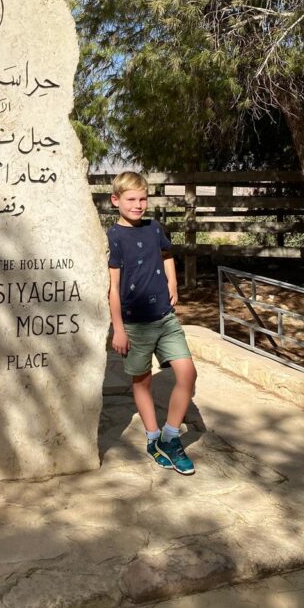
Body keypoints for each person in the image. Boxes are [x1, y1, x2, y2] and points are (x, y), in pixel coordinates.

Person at [107, 171, 198, 475]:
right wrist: (118, 328)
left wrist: (173, 282)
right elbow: (113, 286)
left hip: (165, 317)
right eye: (131, 199)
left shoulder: (154, 227)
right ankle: (152, 438)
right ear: (115, 200)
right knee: (142, 381)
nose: (138, 205)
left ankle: (171, 437)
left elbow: (167, 252)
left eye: (143, 199)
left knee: (187, 373)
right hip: (135, 324)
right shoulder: (114, 238)